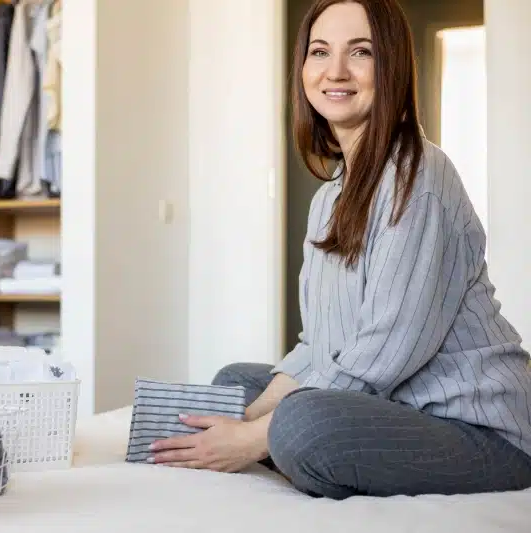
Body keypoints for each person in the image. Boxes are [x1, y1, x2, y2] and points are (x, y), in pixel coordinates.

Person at [149, 0, 531, 499]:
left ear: (390, 65)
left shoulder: (420, 176)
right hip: (396, 405)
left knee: (301, 425)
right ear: (303, 68)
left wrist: (250, 437)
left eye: (361, 52)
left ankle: (292, 450)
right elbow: (320, 345)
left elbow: (384, 355)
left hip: (479, 430)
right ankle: (289, 446)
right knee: (235, 383)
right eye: (320, 51)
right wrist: (242, 418)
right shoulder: (332, 193)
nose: (336, 71)